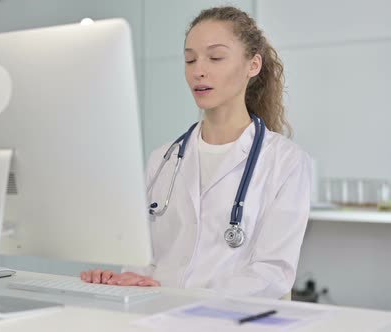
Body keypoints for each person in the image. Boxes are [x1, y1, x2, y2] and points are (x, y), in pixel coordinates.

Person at [79, 6, 311, 299]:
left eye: (215, 57)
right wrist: (124, 280)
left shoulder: (285, 161)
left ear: (253, 65)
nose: (198, 70)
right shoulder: (163, 159)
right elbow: (145, 261)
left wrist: (190, 299)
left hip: (229, 317)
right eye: (190, 59)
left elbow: (272, 273)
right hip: (157, 312)